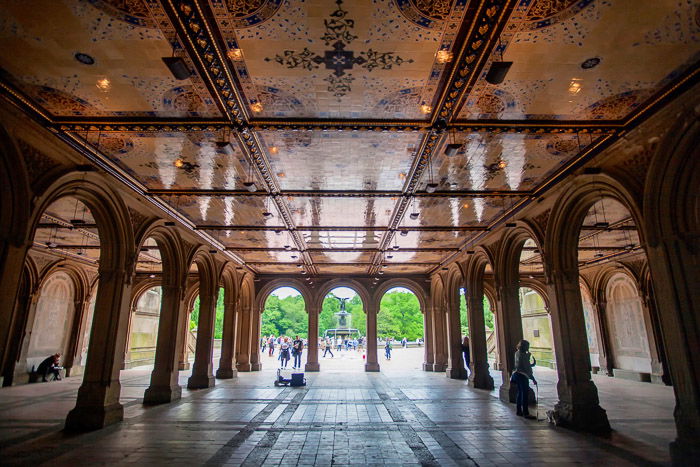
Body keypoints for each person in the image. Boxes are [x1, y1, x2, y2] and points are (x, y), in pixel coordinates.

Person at [510, 339, 537, 419]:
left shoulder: (517, 353)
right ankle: (526, 412)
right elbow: (526, 367)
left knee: (520, 393)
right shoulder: (524, 355)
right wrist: (533, 378)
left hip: (516, 374)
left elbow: (520, 364)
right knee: (524, 394)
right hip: (522, 375)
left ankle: (519, 411)